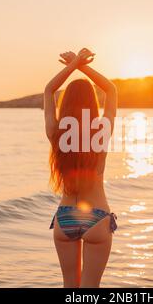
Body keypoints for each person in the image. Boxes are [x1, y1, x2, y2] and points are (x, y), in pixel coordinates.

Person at [44, 48, 118, 288]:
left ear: (65, 105)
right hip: (96, 218)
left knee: (70, 288)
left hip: (64, 218)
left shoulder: (56, 133)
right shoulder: (101, 132)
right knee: (90, 290)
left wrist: (72, 64)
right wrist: (82, 65)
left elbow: (48, 90)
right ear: (92, 104)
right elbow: (111, 89)